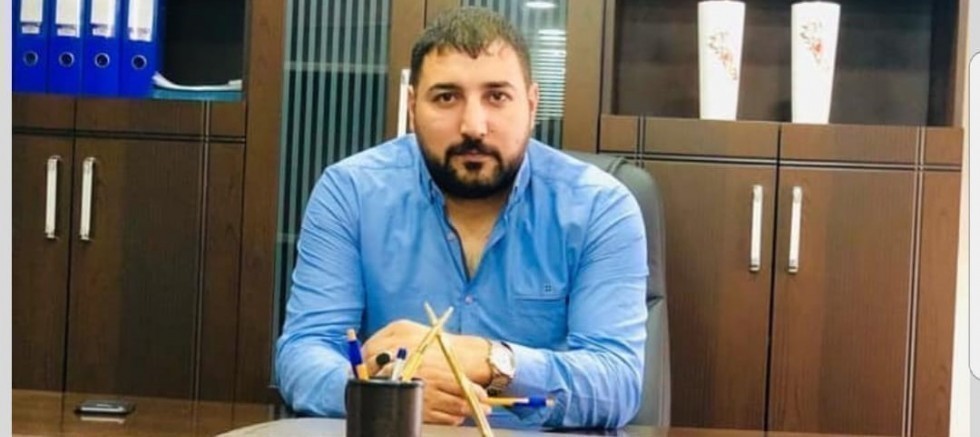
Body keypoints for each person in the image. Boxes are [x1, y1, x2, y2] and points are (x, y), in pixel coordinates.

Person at [275, 7, 649, 430]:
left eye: (497, 96)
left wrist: (489, 359)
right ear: (412, 107)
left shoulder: (600, 207)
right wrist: (381, 394)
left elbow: (616, 383)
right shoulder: (350, 193)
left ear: (531, 105)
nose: (473, 126)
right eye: (446, 97)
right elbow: (303, 354)